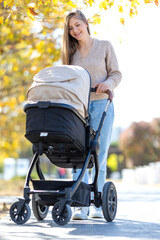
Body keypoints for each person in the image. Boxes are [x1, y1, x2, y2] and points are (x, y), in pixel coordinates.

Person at [62, 10, 122, 220]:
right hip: (78, 109)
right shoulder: (70, 53)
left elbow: (116, 73)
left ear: (86, 23)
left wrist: (108, 84)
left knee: (99, 155)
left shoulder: (104, 46)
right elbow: (66, 79)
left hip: (102, 106)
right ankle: (81, 205)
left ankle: (97, 202)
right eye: (70, 28)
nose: (75, 30)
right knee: (78, 155)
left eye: (78, 25)